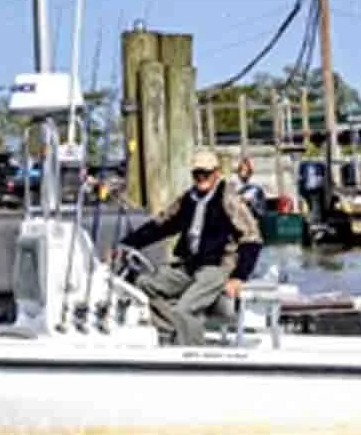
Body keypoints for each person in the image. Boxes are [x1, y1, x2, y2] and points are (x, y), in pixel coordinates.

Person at [112, 147, 263, 345]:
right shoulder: (188, 199)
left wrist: (238, 277)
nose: (201, 177)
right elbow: (161, 225)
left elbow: (252, 238)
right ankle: (174, 331)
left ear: (216, 173)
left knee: (185, 309)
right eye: (197, 173)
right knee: (144, 285)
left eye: (206, 173)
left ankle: (194, 353)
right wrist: (126, 245)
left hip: (216, 268)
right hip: (188, 265)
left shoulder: (229, 198)